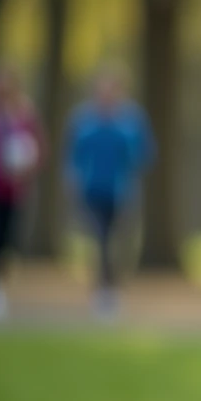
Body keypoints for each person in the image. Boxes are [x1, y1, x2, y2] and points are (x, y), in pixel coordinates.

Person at [65, 69, 155, 316]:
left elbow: (144, 154)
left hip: (122, 192)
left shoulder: (131, 120)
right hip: (91, 190)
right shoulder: (84, 120)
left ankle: (112, 284)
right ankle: (103, 289)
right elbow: (73, 155)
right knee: (100, 238)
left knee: (119, 240)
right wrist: (73, 182)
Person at [0, 68, 43, 321]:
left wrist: (27, 164)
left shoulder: (24, 116)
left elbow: (38, 148)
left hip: (14, 191)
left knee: (8, 239)